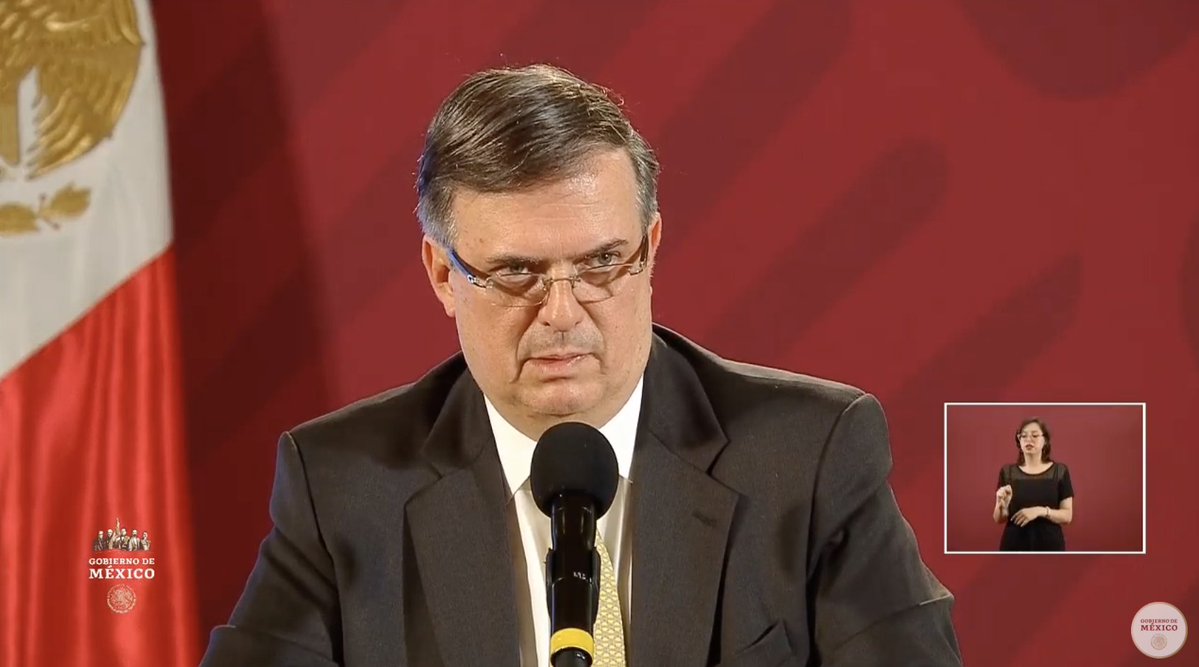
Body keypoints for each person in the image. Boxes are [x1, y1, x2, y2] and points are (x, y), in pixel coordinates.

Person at [202, 64, 961, 666]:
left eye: (601, 263)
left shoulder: (808, 457)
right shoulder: (344, 487)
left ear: (649, 251)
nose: (562, 313)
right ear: (441, 274)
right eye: (517, 273)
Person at [993, 417, 1075, 551]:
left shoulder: (1059, 471)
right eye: (1023, 436)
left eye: (1035, 435)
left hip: (1050, 545)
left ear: (1045, 440)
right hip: (1014, 545)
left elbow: (1067, 516)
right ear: (1019, 440)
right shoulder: (1008, 472)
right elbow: (999, 519)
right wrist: (1000, 504)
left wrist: (1040, 511)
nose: (1028, 440)